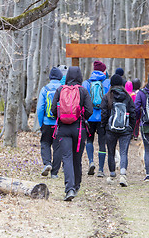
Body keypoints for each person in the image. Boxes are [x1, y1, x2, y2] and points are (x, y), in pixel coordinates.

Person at [51, 66, 93, 201]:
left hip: (63, 129)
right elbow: (89, 110)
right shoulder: (83, 91)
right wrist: (81, 116)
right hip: (79, 129)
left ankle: (69, 189)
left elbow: (53, 109)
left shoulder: (60, 89)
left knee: (66, 158)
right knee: (77, 158)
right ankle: (76, 185)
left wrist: (62, 116)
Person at [101, 74, 135, 187]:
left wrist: (104, 126)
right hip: (125, 129)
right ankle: (123, 175)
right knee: (124, 152)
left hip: (110, 129)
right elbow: (133, 112)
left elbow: (104, 114)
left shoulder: (107, 97)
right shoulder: (127, 97)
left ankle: (111, 175)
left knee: (111, 152)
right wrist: (131, 127)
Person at [82, 61, 110, 177]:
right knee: (102, 143)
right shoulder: (107, 82)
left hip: (89, 117)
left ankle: (91, 161)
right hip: (102, 117)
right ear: (104, 71)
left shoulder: (86, 83)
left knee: (89, 140)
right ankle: (101, 170)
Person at [36, 67, 63, 179]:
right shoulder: (63, 89)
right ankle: (55, 173)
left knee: (45, 143)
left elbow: (40, 108)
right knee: (58, 147)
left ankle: (47, 163)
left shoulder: (45, 89)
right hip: (60, 123)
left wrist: (41, 123)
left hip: (47, 122)